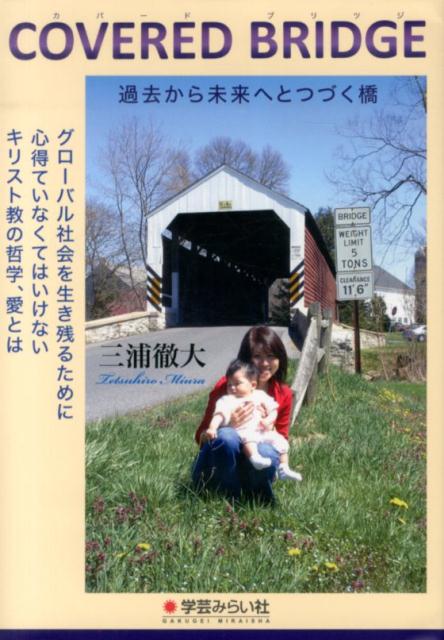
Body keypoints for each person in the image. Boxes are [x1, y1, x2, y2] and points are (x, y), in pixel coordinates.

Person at [192, 325, 299, 503]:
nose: (265, 363)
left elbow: (282, 437)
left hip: (255, 455)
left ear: (280, 358)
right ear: (246, 360)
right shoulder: (227, 387)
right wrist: (227, 425)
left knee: (267, 450)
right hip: (220, 462)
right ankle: (226, 496)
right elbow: (201, 437)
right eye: (257, 356)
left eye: (271, 356)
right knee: (227, 436)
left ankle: (256, 497)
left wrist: (269, 425)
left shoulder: (283, 393)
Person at [205, 358, 302, 481]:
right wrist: (213, 427)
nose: (232, 388)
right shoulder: (227, 400)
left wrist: (269, 421)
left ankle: (284, 468)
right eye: (229, 384)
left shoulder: (260, 395)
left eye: (237, 383)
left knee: (281, 441)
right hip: (243, 431)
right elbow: (219, 415)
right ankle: (254, 457)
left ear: (253, 385)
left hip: (262, 431)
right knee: (249, 438)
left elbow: (273, 409)